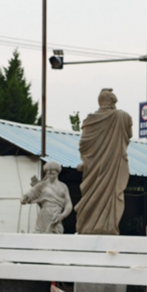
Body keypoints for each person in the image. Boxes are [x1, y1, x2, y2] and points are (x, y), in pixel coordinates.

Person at [75, 89, 132, 235]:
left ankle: (88, 225)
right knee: (111, 193)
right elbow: (129, 134)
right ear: (112, 102)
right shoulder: (122, 116)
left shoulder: (90, 120)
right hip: (113, 165)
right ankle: (107, 226)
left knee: (91, 194)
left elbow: (83, 145)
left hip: (93, 167)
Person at [21, 161, 73, 234]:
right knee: (42, 234)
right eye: (48, 173)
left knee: (56, 234)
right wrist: (25, 198)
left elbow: (68, 204)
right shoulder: (42, 185)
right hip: (45, 214)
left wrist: (63, 215)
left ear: (57, 172)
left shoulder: (63, 186)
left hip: (57, 213)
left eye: (53, 173)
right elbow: (31, 193)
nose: (50, 175)